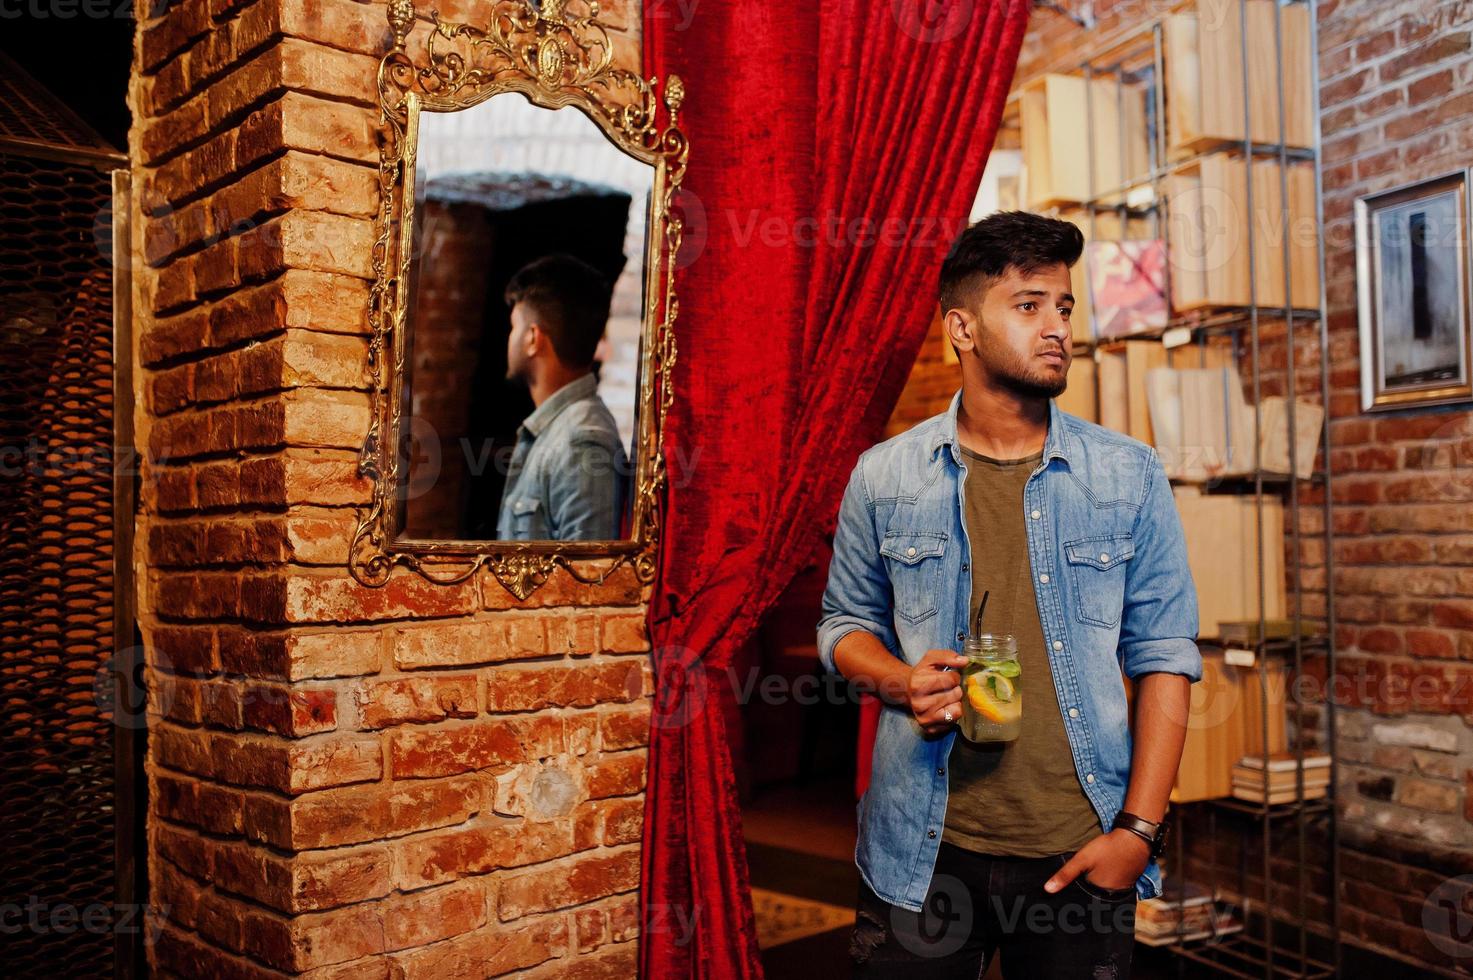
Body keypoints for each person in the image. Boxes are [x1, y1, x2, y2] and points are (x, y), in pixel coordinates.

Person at [817, 211, 1202, 978]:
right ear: (962, 327)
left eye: (1062, 306)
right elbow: (843, 623)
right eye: (1028, 306)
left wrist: (1138, 832)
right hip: (916, 853)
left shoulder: (1128, 476)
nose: (1056, 325)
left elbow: (1163, 654)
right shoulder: (884, 476)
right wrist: (896, 678)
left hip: (1076, 846)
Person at [496, 253, 628, 541]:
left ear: (533, 338)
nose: (510, 338)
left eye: (514, 326)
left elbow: (589, 581)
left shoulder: (580, 441)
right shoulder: (559, 430)